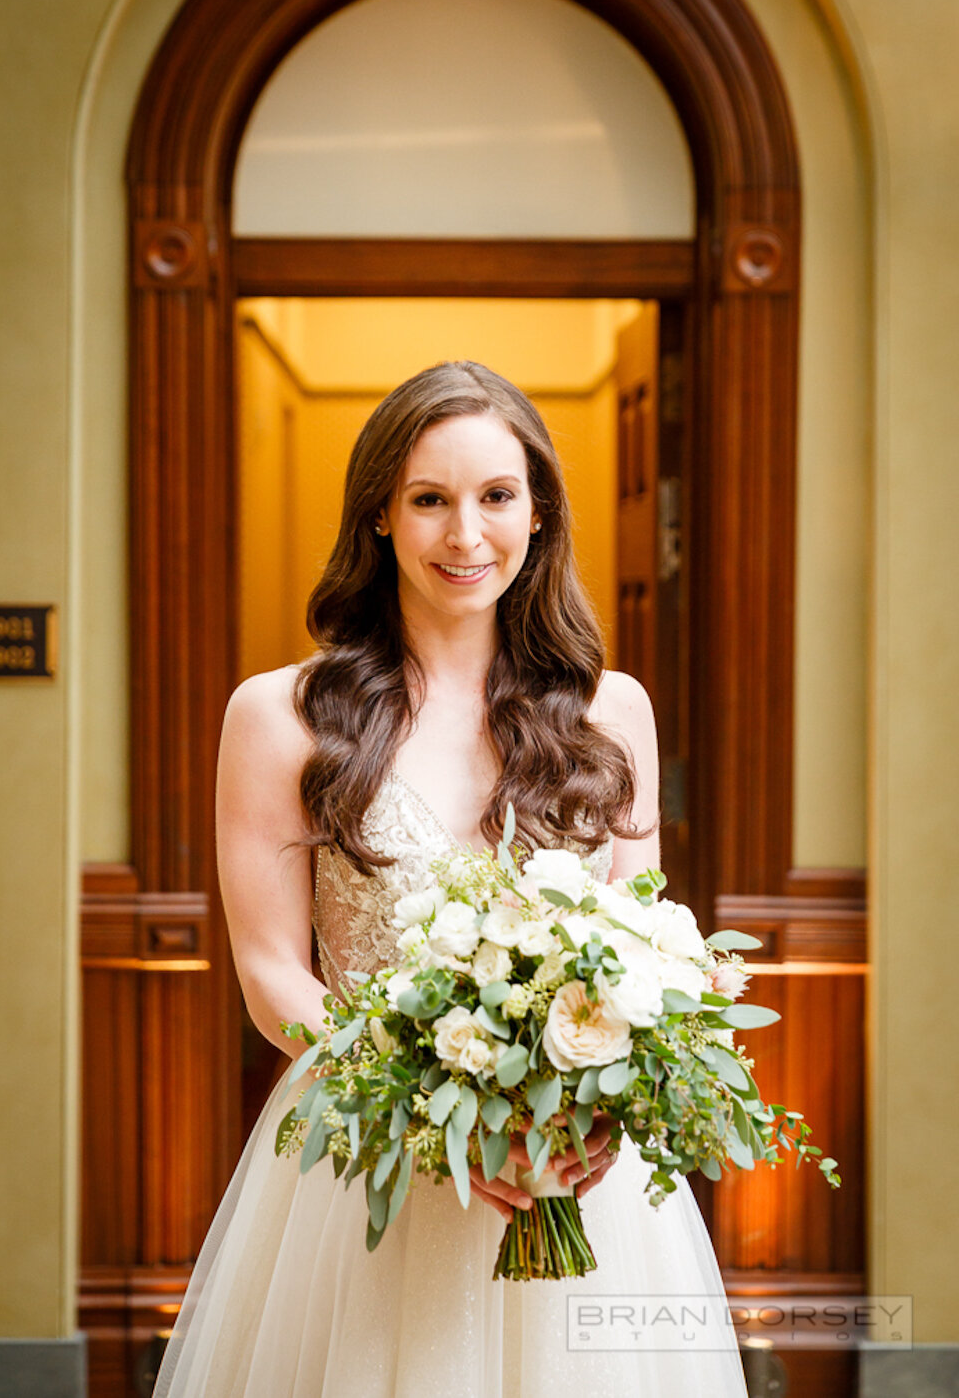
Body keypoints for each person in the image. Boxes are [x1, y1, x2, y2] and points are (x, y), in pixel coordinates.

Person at [152, 360, 749, 1397]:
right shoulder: (275, 716)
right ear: (379, 514)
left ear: (538, 512)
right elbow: (271, 979)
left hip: (571, 1171)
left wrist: (595, 1114)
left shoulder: (617, 714)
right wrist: (431, 1120)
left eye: (496, 498)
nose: (465, 537)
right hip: (367, 1172)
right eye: (428, 500)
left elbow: (643, 951)